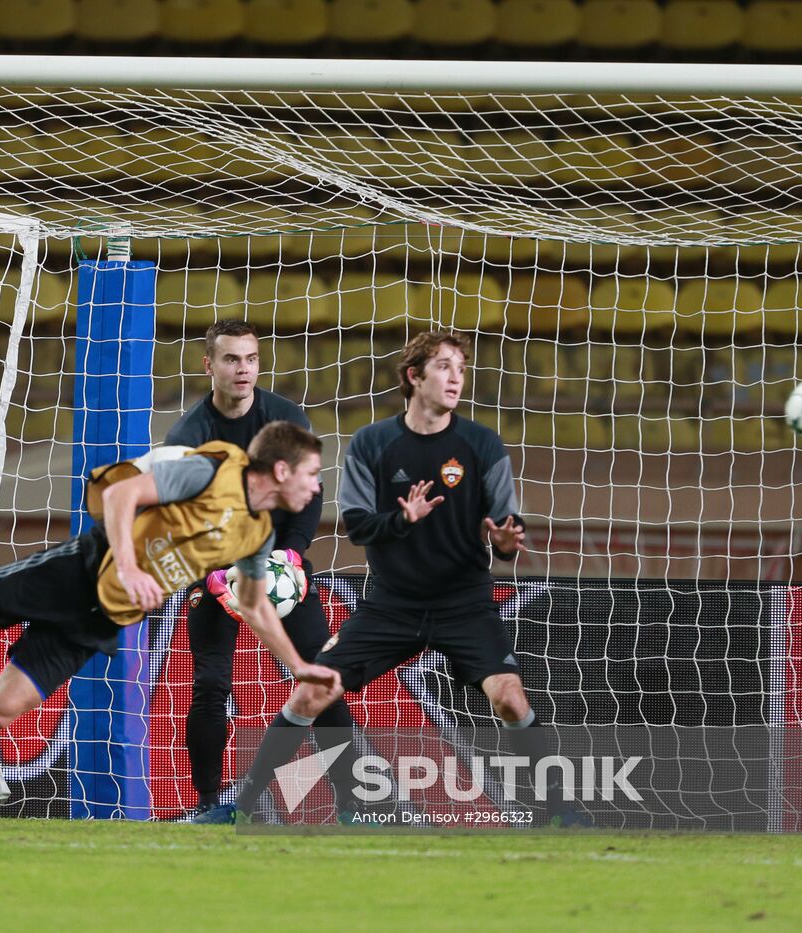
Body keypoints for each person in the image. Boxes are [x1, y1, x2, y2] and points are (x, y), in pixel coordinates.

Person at [216, 329, 587, 827]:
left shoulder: (482, 444)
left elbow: (506, 524)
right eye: (444, 367)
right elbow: (358, 526)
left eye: (460, 368)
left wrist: (504, 541)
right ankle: (240, 810)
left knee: (509, 697)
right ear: (414, 377)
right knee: (312, 691)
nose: (456, 377)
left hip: (464, 604)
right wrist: (403, 520)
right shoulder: (373, 443)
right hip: (391, 606)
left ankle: (559, 811)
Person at [0, 421, 342, 755]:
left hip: (101, 618)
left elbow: (252, 604)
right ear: (280, 468)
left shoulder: (259, 532)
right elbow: (121, 495)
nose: (317, 486)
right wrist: (131, 568)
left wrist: (297, 666)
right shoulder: (210, 473)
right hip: (74, 575)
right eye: (312, 474)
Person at [166, 320, 359, 821]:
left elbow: (309, 495)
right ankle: (209, 804)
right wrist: (209, 577)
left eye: (250, 359)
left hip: (281, 569)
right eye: (231, 359)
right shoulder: (189, 436)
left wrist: (292, 554)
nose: (243, 369)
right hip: (217, 570)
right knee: (210, 684)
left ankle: (352, 804)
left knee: (320, 676)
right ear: (209, 366)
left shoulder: (285, 420)